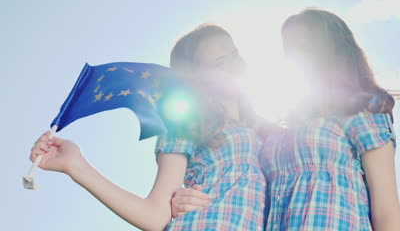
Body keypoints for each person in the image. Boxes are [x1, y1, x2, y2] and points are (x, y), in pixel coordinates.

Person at [171, 9, 400, 230]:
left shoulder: (363, 110)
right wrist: (183, 197)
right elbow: (238, 183)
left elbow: (386, 211)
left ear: (330, 49)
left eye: (303, 47)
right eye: (289, 50)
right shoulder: (278, 132)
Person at [30, 24, 267, 231]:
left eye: (234, 54)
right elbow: (155, 216)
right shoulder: (188, 123)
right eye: (220, 63)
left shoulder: (268, 132)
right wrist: (77, 166)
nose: (234, 65)